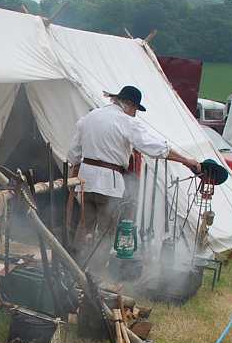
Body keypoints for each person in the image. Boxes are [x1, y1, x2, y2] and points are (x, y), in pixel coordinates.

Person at [66, 85, 201, 266]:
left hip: (85, 180)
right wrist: (186, 160)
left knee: (85, 226)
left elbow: (73, 154)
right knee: (106, 231)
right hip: (109, 183)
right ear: (128, 104)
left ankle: (74, 265)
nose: (135, 114)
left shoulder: (89, 118)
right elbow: (154, 147)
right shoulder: (125, 121)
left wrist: (75, 174)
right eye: (135, 109)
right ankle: (95, 271)